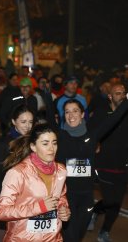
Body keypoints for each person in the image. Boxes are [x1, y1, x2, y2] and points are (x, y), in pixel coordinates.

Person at [43, 91, 128, 242]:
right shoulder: (60, 136)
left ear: (83, 114)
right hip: (65, 197)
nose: (71, 115)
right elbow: (50, 117)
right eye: (67, 112)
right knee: (70, 237)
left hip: (86, 198)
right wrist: (47, 96)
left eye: (75, 111)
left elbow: (114, 119)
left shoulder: (93, 135)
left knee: (78, 235)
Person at [0, 124, 70, 241]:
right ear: (33, 147)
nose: (51, 148)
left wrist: (63, 209)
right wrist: (38, 207)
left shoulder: (61, 170)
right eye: (45, 144)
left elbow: (61, 197)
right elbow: (2, 212)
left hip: (53, 238)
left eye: (54, 143)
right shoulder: (17, 173)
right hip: (22, 238)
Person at [88, 83, 128, 242]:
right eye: (118, 93)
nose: (122, 96)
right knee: (111, 200)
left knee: (116, 202)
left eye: (124, 93)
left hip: (123, 165)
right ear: (110, 96)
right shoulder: (101, 113)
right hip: (103, 164)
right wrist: (94, 144)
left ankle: (104, 231)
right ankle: (95, 211)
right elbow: (89, 132)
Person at [0, 104, 35, 242]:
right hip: (9, 201)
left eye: (30, 122)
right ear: (13, 122)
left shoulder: (36, 142)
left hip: (30, 202)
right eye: (23, 122)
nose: (27, 126)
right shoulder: (6, 143)